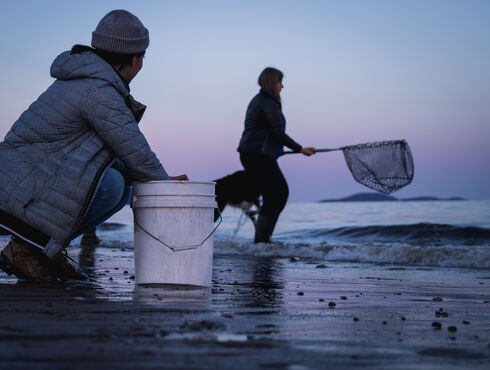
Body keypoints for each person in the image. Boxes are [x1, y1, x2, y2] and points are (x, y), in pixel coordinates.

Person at [0, 10, 187, 283]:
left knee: (121, 183)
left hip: (22, 179)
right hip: (18, 186)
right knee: (112, 186)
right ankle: (27, 250)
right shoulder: (98, 90)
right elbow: (134, 150)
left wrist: (160, 180)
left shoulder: (88, 79)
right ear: (136, 59)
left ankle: (41, 251)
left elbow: (119, 155)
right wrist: (164, 187)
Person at [237, 67, 315, 243]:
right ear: (272, 82)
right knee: (274, 196)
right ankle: (261, 243)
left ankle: (264, 239)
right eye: (280, 81)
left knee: (280, 194)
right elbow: (277, 133)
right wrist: (300, 149)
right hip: (257, 155)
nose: (282, 86)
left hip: (256, 154)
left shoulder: (263, 100)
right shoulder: (267, 102)